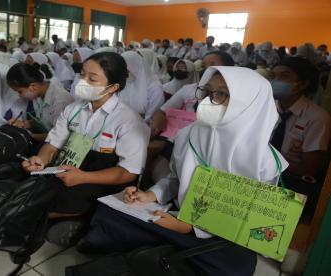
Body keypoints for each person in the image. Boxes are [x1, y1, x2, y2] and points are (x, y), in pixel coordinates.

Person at [79, 66, 288, 276]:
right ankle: (159, 254)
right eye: (206, 92)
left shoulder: (266, 162)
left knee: (236, 265)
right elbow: (175, 178)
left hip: (221, 235)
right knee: (109, 211)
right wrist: (150, 195)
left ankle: (148, 252)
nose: (207, 100)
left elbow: (250, 218)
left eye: (221, 94)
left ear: (249, 104)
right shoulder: (189, 134)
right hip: (178, 214)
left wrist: (190, 228)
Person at [22, 52, 150, 245]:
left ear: (113, 87)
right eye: (82, 74)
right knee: (30, 187)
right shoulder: (74, 109)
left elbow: (128, 172)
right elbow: (53, 143)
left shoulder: (128, 121)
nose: (83, 81)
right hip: (69, 168)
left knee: (45, 203)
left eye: (92, 78)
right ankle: (63, 220)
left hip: (102, 178)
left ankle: (73, 220)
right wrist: (41, 159)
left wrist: (83, 177)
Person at [150, 52, 235, 183]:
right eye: (203, 65)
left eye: (212, 65)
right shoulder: (186, 133)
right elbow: (176, 178)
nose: (206, 69)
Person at [270, 57, 331, 215]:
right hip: (263, 175)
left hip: (291, 184)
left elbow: (309, 169)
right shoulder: (266, 109)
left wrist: (268, 161)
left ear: (302, 84)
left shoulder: (317, 118)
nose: (275, 81)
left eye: (284, 76)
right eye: (273, 76)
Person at [6, 62, 74, 142]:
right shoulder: (38, 95)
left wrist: (27, 136)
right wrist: (24, 123)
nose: (19, 96)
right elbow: (44, 122)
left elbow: (59, 137)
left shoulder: (61, 101)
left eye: (20, 91)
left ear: (33, 87)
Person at [120, 51, 165, 123]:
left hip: (140, 126)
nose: (124, 73)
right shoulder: (127, 82)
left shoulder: (155, 88)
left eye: (127, 69)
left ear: (135, 66)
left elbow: (152, 116)